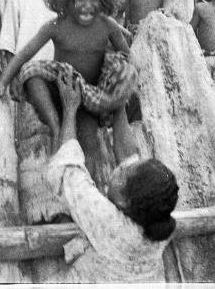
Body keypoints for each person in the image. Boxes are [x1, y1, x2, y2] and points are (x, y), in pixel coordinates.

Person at [0, 0, 135, 156]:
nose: (87, 6)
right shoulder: (57, 26)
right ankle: (55, 125)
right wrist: (2, 83)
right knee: (32, 73)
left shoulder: (107, 26)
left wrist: (117, 77)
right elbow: (24, 54)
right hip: (60, 89)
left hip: (89, 97)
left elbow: (128, 56)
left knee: (89, 144)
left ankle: (90, 182)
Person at [47, 73, 179, 282]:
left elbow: (69, 168)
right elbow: (129, 156)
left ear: (124, 202)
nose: (118, 169)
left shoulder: (111, 224)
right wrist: (118, 105)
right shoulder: (157, 221)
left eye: (123, 174)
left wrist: (70, 109)